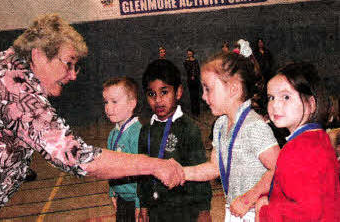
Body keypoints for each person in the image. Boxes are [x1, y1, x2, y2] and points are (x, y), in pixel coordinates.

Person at [0, 13, 184, 220]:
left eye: (76, 66)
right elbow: (75, 156)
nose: (73, 75)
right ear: (38, 55)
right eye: (68, 64)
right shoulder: (11, 83)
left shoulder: (7, 69)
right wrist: (155, 165)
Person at [184, 52, 280, 221]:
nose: (203, 96)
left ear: (234, 89)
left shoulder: (254, 126)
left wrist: (248, 198)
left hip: (255, 212)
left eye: (208, 89)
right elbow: (215, 168)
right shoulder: (220, 125)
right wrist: (180, 172)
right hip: (234, 210)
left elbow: (279, 169)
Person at [256, 62, 340, 222]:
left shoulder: (297, 149)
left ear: (311, 104)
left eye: (286, 96)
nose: (275, 105)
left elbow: (307, 212)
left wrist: (265, 211)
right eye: (271, 97)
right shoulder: (319, 138)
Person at [138, 59, 212, 222]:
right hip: (156, 211)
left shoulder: (188, 128)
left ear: (178, 92)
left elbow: (200, 171)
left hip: (185, 211)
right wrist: (143, 204)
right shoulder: (145, 131)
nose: (158, 100)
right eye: (152, 94)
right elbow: (142, 173)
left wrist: (204, 210)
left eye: (164, 92)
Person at [103, 77, 142, 221]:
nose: (108, 107)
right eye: (106, 102)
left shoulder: (137, 134)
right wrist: (112, 191)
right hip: (122, 199)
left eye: (114, 101)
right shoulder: (113, 134)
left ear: (131, 104)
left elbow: (144, 174)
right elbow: (111, 168)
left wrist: (140, 203)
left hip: (136, 201)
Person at [183, 48, 201, 116]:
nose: (189, 54)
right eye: (188, 53)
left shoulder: (196, 61)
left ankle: (197, 112)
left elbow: (198, 70)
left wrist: (195, 75)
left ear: (192, 53)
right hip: (190, 80)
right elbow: (187, 70)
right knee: (192, 96)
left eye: (190, 53)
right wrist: (191, 75)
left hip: (196, 80)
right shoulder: (185, 62)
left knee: (197, 95)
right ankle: (193, 112)